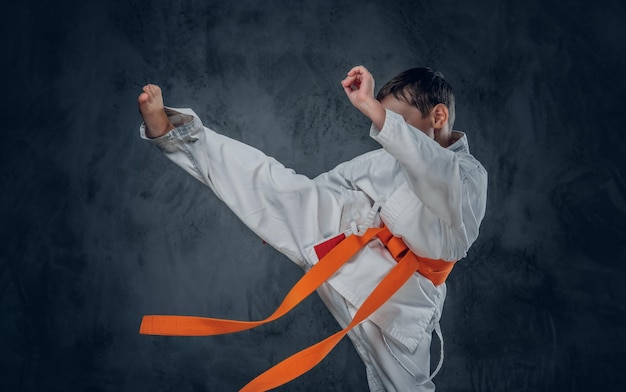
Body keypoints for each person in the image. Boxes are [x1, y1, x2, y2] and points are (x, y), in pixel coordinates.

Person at [137, 65, 487, 391]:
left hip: (405, 298)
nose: (388, 134)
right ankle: (177, 134)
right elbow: (328, 185)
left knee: (403, 386)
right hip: (354, 250)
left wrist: (371, 107)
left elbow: (431, 168)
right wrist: (279, 214)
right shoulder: (384, 162)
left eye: (396, 121)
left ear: (437, 116)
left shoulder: (467, 176)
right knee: (279, 184)